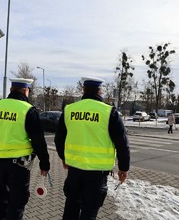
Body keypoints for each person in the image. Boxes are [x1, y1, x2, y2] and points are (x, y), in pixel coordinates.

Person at [54, 77, 130, 220]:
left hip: (74, 171)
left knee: (70, 210)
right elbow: (122, 143)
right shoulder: (109, 112)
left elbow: (59, 139)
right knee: (89, 213)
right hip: (97, 175)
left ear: (83, 90)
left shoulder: (70, 110)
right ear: (100, 91)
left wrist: (64, 158)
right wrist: (123, 168)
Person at [0, 78, 50, 220]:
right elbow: (38, 140)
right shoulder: (28, 110)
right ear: (26, 90)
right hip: (19, 166)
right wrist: (45, 163)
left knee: (1, 201)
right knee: (17, 204)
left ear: (11, 90)